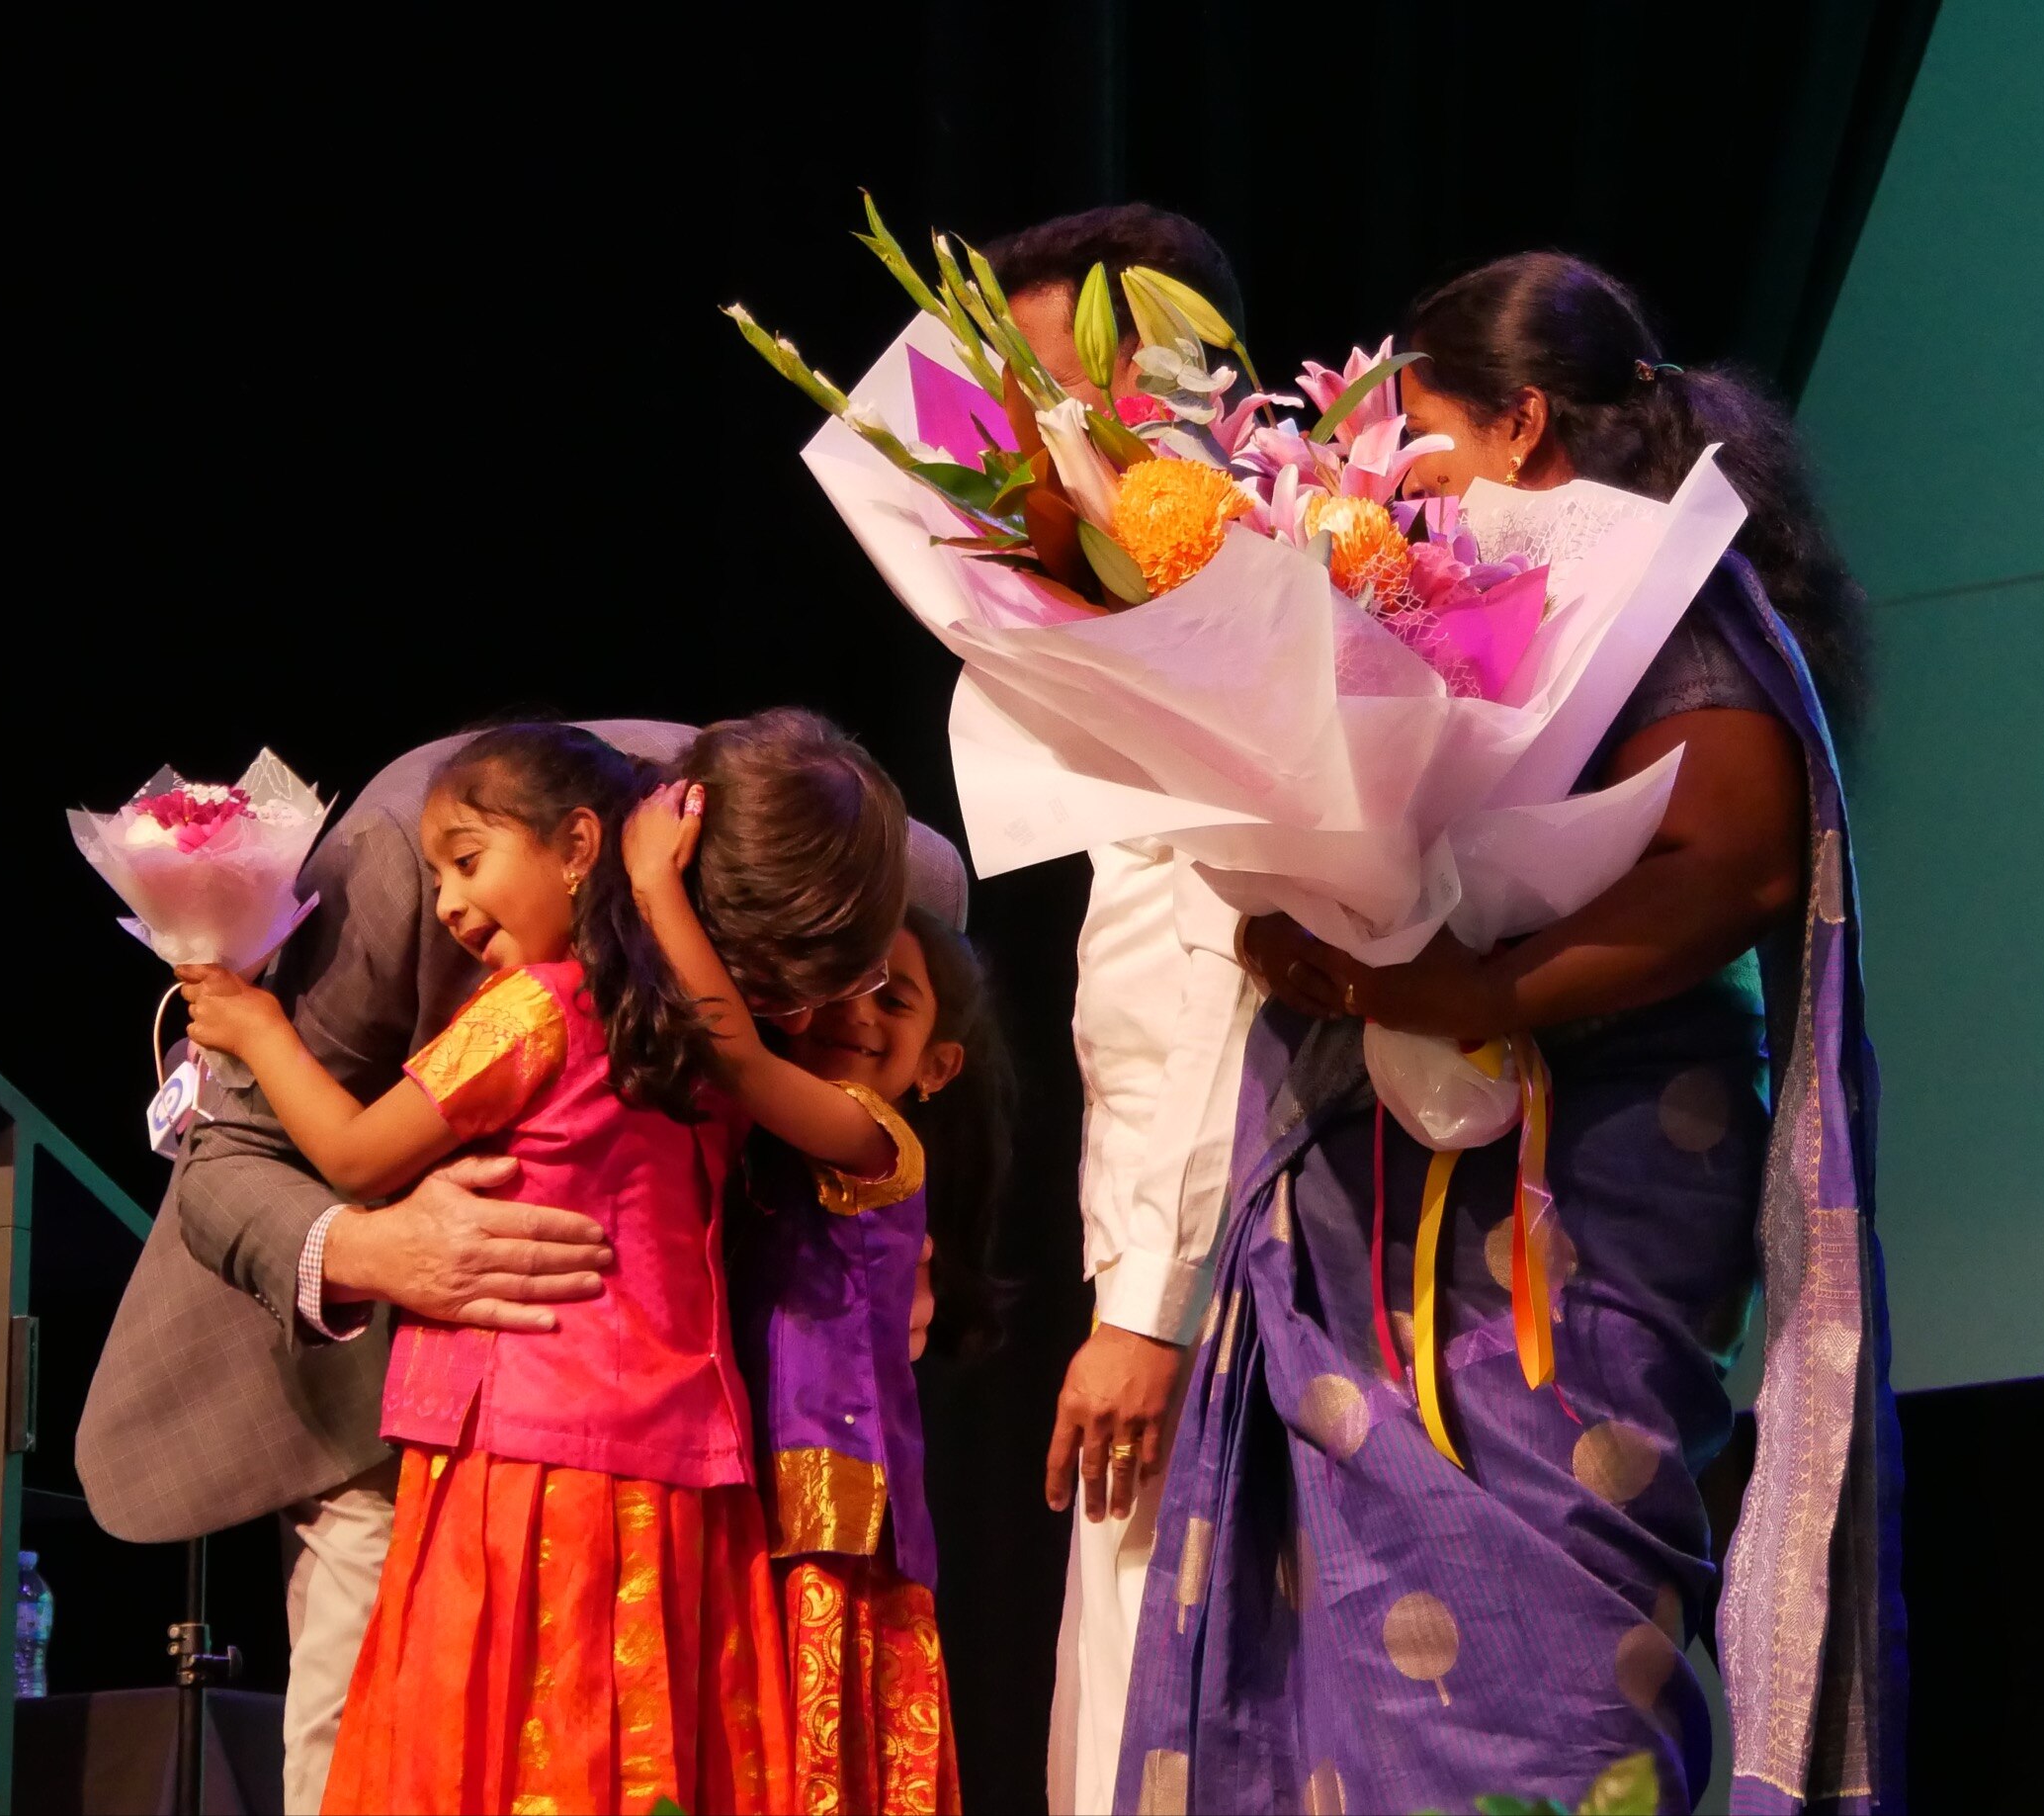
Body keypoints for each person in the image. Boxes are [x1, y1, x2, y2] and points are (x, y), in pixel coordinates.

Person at [1113, 252, 1902, 1815]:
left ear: (1526, 425)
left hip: (1588, 1174)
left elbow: (1740, 858)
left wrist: (1466, 993)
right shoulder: (1470, 596)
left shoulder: (1666, 603)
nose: (1406, 491)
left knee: (1549, 1635)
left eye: (1425, 446)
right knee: (1355, 1660)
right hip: (1388, 1173)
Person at [73, 714, 920, 1814]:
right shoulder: (413, 861)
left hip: (591, 1453)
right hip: (434, 1419)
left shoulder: (853, 888)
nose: (766, 1026)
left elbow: (810, 1073)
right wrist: (370, 1247)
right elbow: (239, 1152)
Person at [978, 202, 1279, 1816]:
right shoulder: (1154, 610)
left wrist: (1145, 1307)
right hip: (1175, 1258)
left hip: (1222, 1273)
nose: (1028, 429)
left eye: (1050, 385)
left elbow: (1220, 978)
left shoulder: (1229, 608)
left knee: (1159, 1721)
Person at [731, 892, 1014, 1814]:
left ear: (938, 1066)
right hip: (747, 1502)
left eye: (894, 999)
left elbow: (729, 1053)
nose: (859, 1009)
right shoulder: (756, 1150)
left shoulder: (878, 1141)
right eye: (843, 981)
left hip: (839, 1519)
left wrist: (655, 885)